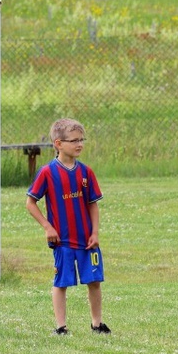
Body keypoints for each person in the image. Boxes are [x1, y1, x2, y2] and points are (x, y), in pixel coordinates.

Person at [26, 118, 111, 335]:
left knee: (94, 281)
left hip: (86, 241)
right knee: (61, 282)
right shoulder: (47, 172)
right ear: (58, 143)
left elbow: (92, 204)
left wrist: (95, 232)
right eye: (74, 140)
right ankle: (61, 327)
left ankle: (97, 324)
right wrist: (47, 227)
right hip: (62, 241)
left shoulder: (86, 172)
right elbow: (30, 203)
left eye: (81, 139)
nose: (79, 144)